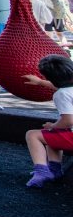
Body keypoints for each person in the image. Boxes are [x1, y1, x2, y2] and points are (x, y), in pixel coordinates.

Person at [20, 54, 73, 187]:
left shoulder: (61, 95)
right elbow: (64, 86)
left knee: (33, 135)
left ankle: (42, 171)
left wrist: (53, 125)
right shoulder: (67, 89)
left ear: (49, 77)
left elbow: (68, 121)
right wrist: (40, 82)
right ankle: (54, 170)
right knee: (51, 135)